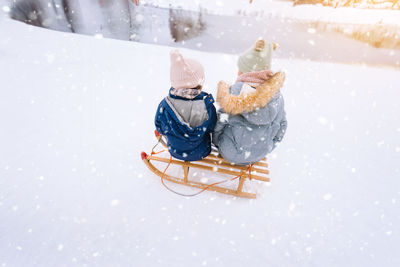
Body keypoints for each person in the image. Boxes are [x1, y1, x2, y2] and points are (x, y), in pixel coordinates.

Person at [212, 38, 287, 165]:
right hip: (260, 153)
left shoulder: (234, 92)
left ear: (244, 71)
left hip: (229, 151)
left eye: (240, 68)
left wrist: (217, 142)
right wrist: (269, 145)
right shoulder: (276, 96)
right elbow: (282, 126)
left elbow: (220, 121)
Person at [155, 50, 217, 161]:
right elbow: (212, 127)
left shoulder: (164, 105)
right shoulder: (206, 105)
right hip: (202, 151)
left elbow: (160, 128)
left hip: (175, 150)